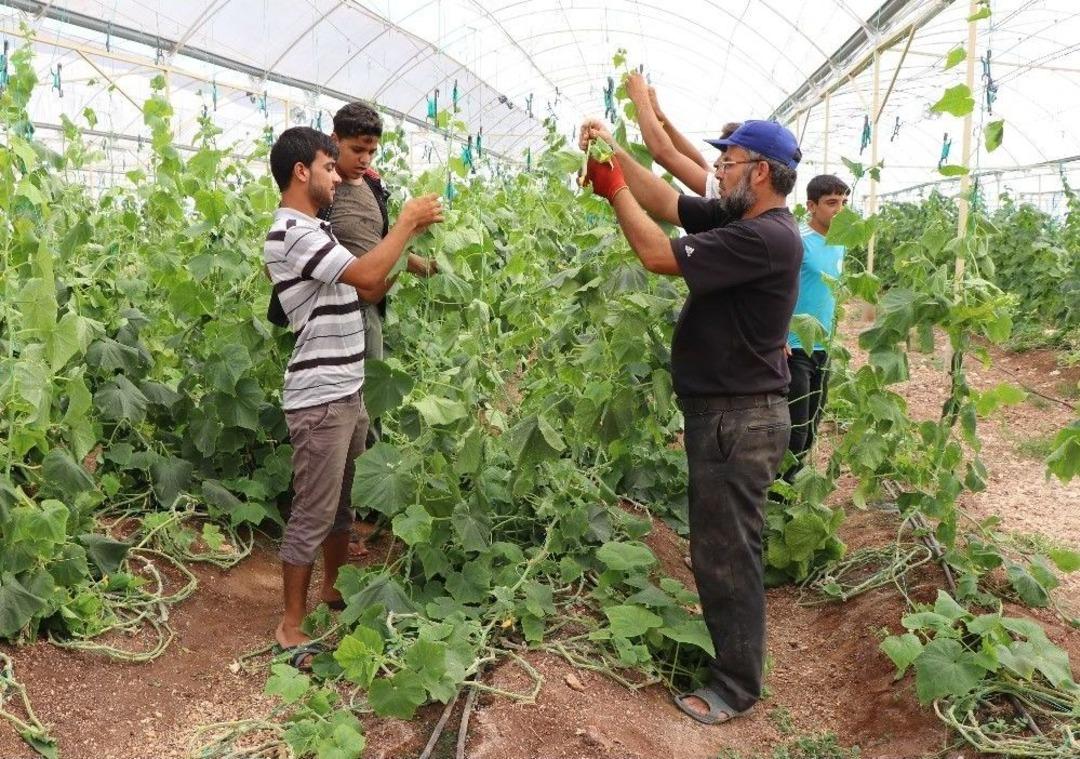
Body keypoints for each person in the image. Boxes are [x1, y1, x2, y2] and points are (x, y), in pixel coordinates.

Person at [578, 118, 803, 725]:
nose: (718, 171)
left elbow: (654, 253)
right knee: (723, 545)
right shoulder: (747, 221)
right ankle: (735, 669)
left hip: (739, 419)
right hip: (731, 415)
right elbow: (669, 203)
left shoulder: (764, 237)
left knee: (728, 553)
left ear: (759, 171)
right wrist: (612, 153)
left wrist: (610, 188)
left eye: (728, 162)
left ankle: (735, 686)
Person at [263, 126, 442, 667]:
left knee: (341, 509)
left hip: (347, 387)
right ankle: (289, 627)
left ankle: (333, 592)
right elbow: (366, 270)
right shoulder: (290, 232)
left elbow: (368, 286)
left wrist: (409, 254)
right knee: (313, 513)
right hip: (318, 396)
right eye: (328, 167)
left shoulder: (318, 229)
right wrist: (405, 222)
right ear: (302, 171)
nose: (338, 176)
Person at [784, 175, 850, 482]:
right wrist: (778, 334)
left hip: (824, 349)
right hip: (796, 347)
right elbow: (775, 287)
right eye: (831, 202)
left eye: (844, 202)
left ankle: (787, 492)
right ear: (811, 205)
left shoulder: (839, 244)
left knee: (811, 427)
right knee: (794, 432)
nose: (839, 209)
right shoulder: (798, 241)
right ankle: (776, 497)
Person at [622, 71, 740, 200]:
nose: (716, 164)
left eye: (727, 160)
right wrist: (660, 116)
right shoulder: (728, 185)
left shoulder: (734, 195)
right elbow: (700, 165)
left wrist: (640, 99)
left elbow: (663, 153)